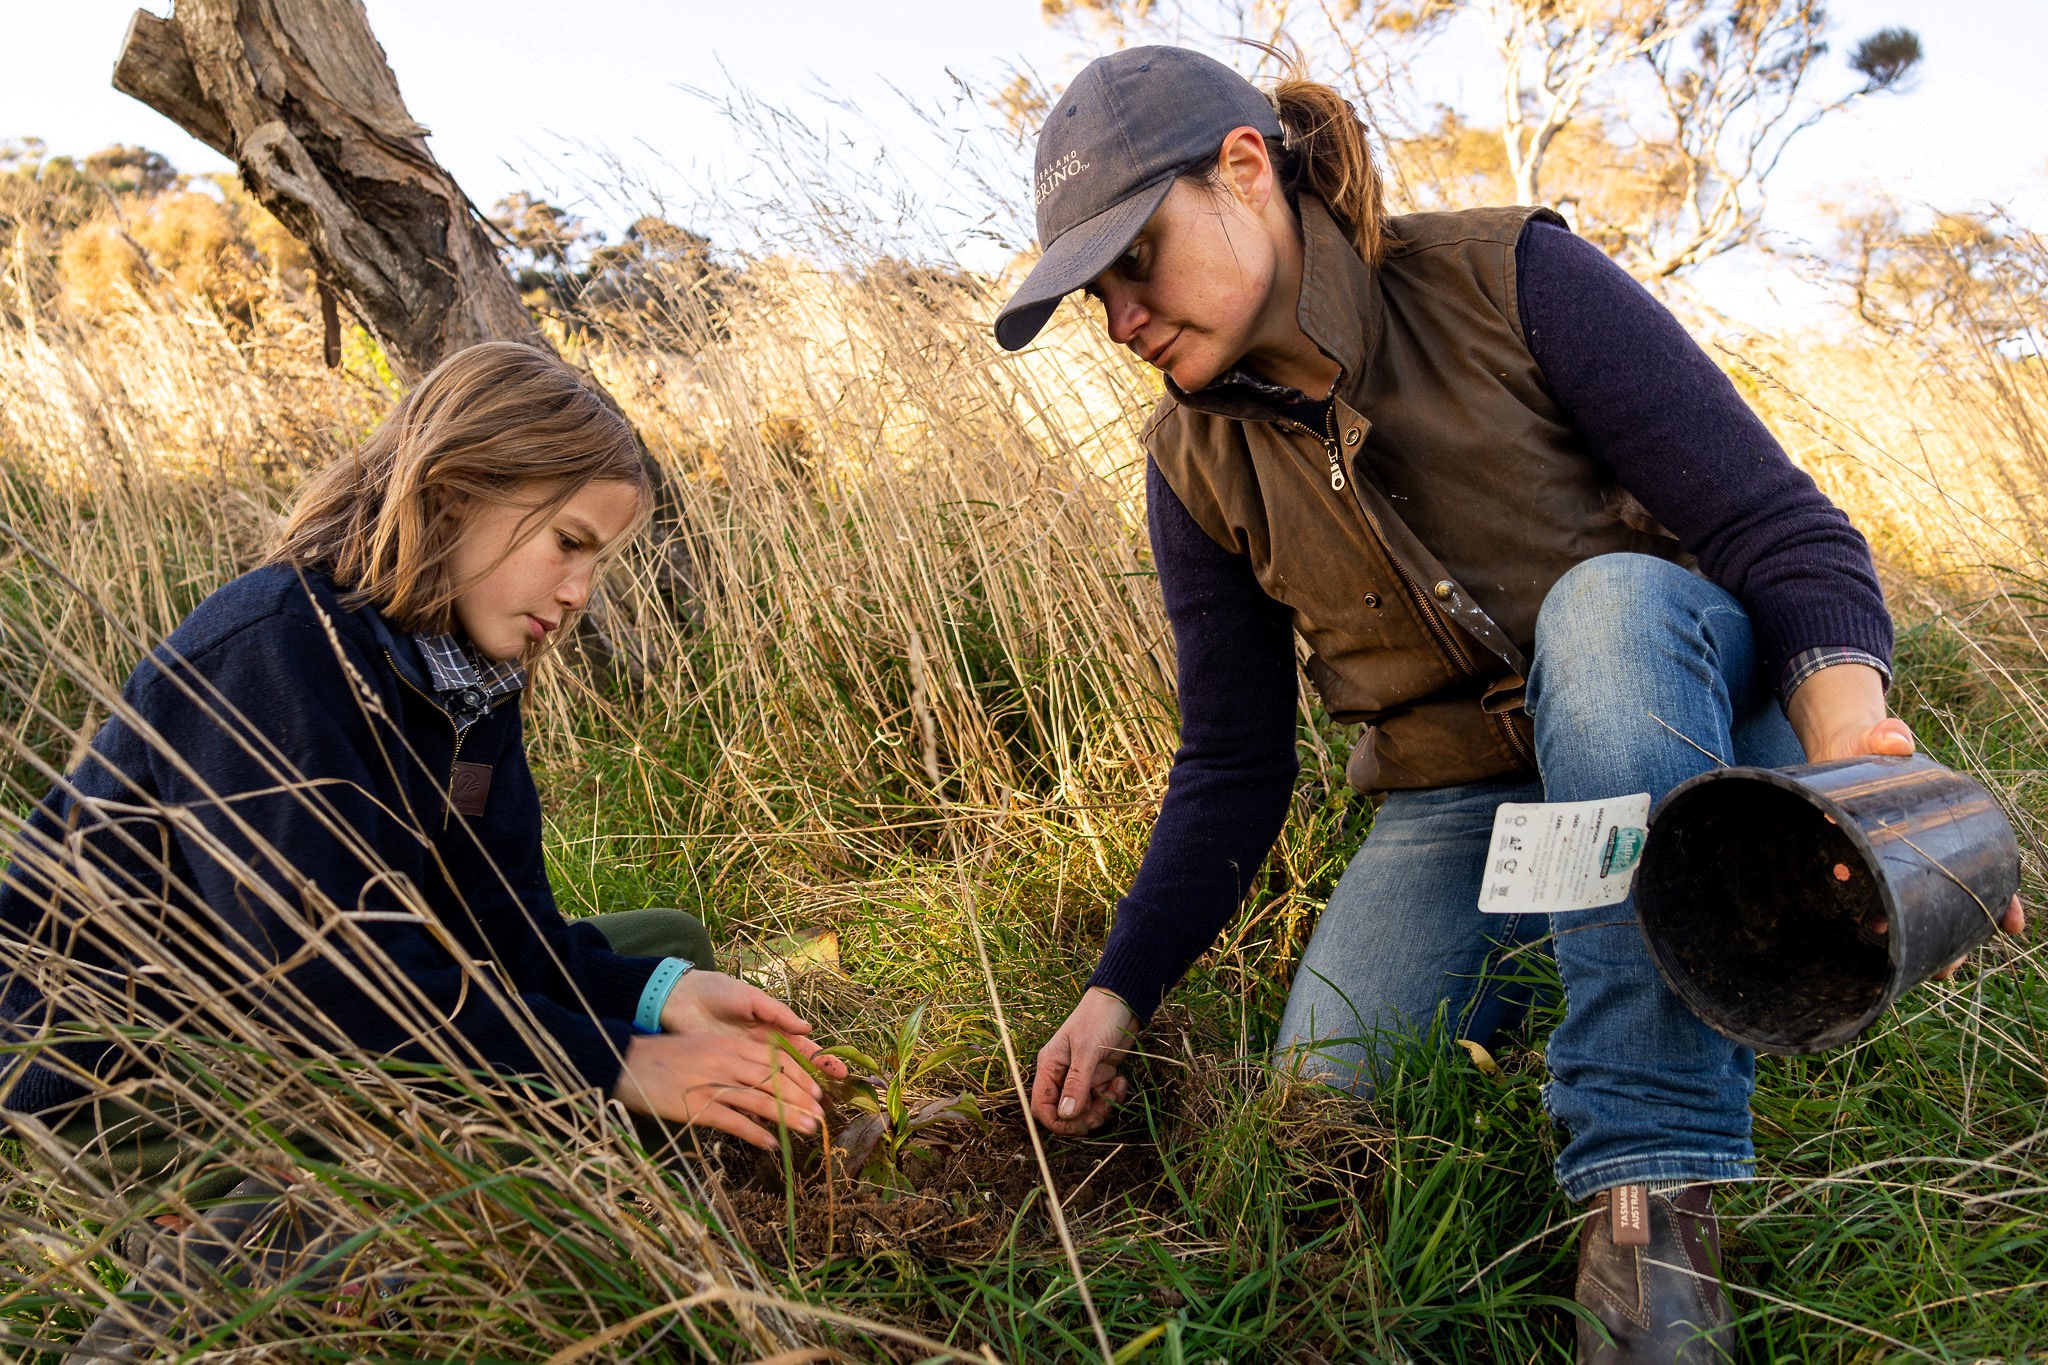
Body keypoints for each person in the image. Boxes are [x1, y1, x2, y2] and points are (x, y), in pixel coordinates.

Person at [997, 47, 2024, 1362]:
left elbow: (1785, 536)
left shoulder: (1511, 277)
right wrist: (1117, 991)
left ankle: (1648, 1208)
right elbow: (1235, 760)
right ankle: (1620, 940)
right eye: (1094, 295)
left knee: (1602, 610)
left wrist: (1858, 771)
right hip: (1469, 804)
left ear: (1245, 171)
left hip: (1688, 715)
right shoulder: (1192, 458)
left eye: (1133, 262)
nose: (1121, 320)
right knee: (1326, 1114)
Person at [0, 341, 844, 1179]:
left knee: (671, 946)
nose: (579, 593)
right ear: (453, 495)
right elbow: (321, 986)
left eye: (598, 563)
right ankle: (234, 1240)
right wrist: (617, 1062)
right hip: (136, 1065)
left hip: (343, 1007)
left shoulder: (470, 684)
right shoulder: (274, 647)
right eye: (567, 542)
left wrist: (655, 1002)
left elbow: (502, 928)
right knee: (507, 1144)